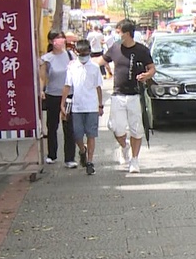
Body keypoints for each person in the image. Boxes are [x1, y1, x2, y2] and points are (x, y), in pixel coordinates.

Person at [103, 19, 156, 173]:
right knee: (116, 127)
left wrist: (146, 75)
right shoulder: (115, 48)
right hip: (118, 94)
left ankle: (134, 159)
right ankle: (124, 146)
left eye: (118, 32)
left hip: (135, 95)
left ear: (127, 33)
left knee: (136, 129)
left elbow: (152, 68)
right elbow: (101, 60)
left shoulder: (142, 50)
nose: (116, 35)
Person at [60, 39, 104, 175]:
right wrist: (62, 104)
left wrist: (100, 105)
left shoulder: (95, 67)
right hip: (77, 107)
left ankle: (90, 161)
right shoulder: (72, 67)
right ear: (76, 52)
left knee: (91, 134)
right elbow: (67, 85)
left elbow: (98, 87)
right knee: (77, 134)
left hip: (91, 106)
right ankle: (82, 150)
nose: (83, 56)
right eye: (80, 53)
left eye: (85, 53)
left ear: (89, 52)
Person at [39, 30, 77, 167]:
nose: (60, 41)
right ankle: (52, 154)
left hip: (68, 95)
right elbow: (42, 77)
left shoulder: (71, 55)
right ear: (50, 41)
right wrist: (41, 90)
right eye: (57, 38)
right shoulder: (46, 58)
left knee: (69, 126)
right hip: (52, 95)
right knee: (52, 125)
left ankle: (70, 158)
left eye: (62, 38)